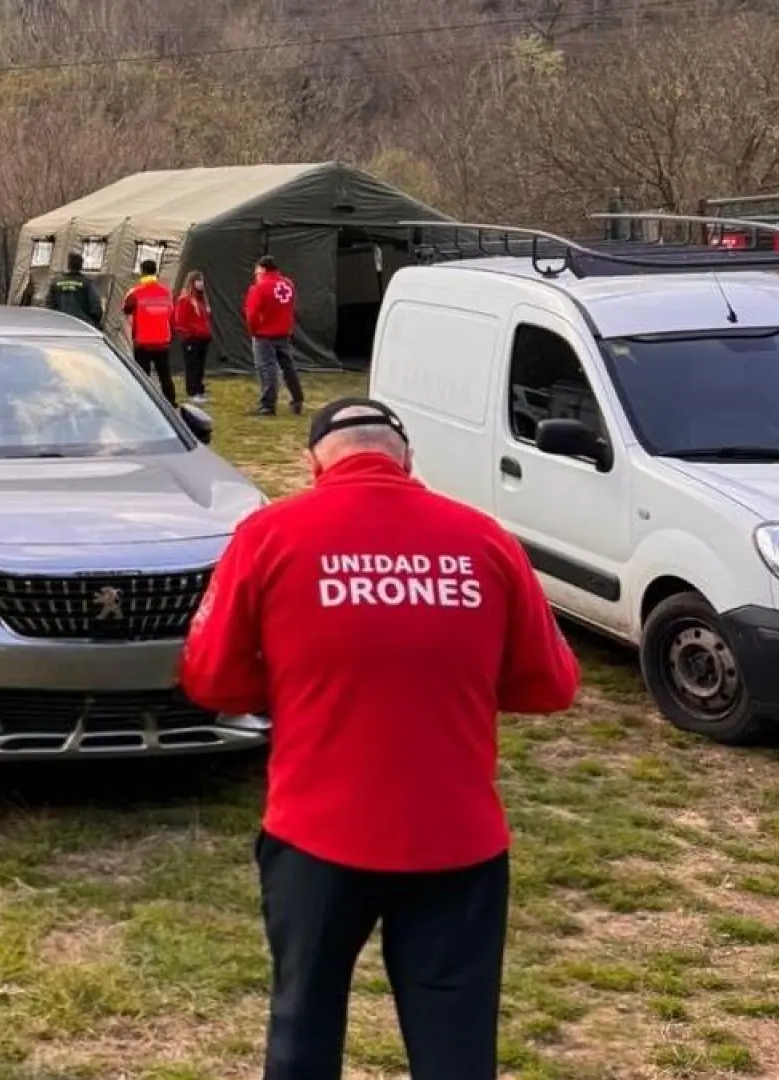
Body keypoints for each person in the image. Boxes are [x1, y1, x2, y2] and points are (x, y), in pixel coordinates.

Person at [178, 398, 581, 1080]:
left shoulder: (270, 536)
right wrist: (458, 685)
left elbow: (209, 677)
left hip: (316, 839)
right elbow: (552, 685)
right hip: (458, 842)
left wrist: (297, 685)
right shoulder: (485, 540)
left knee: (303, 1025)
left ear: (313, 466)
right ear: (407, 461)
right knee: (455, 1046)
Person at [245, 255, 303, 416]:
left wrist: (254, 330)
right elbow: (292, 307)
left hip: (264, 334)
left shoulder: (259, 288)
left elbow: (252, 314)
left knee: (267, 367)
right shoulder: (288, 284)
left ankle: (267, 405)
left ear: (262, 269)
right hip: (283, 332)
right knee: (288, 366)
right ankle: (297, 398)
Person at [120, 258, 176, 403]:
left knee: (143, 376)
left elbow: (126, 310)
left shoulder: (135, 292)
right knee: (165, 376)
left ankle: (144, 403)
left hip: (142, 342)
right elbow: (170, 313)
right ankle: (171, 403)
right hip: (162, 341)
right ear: (156, 272)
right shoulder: (166, 292)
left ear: (142, 272)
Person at [173, 270, 213, 403]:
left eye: (202, 280)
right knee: (192, 365)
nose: (201, 283)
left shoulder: (202, 300)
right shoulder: (185, 300)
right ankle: (192, 392)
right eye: (198, 280)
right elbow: (180, 321)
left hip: (203, 338)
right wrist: (188, 335)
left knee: (200, 366)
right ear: (192, 282)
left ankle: (199, 389)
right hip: (191, 339)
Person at [45, 252, 103, 329]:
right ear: (81, 266)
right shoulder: (88, 283)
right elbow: (96, 308)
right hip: (81, 326)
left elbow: (49, 305)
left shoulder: (56, 282)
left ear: (68, 265)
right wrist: (93, 322)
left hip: (59, 326)